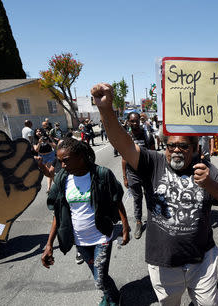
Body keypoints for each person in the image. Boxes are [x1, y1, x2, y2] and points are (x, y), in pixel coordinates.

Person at [91, 82, 218, 306]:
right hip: (164, 262)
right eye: (171, 145)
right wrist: (105, 110)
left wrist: (208, 183)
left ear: (195, 149)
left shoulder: (204, 167)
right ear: (164, 146)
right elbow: (122, 142)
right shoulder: (153, 163)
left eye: (184, 146)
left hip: (201, 260)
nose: (176, 150)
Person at [41, 137, 130, 306]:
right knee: (98, 274)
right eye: (60, 161)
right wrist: (49, 244)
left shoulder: (101, 174)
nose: (63, 165)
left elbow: (117, 200)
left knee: (99, 277)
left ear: (81, 156)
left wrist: (125, 226)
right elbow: (58, 214)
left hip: (101, 236)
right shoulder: (62, 179)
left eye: (66, 161)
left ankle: (114, 299)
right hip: (80, 240)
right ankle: (109, 294)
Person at [122, 112, 155, 239]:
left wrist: (154, 173)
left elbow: (153, 155)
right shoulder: (126, 137)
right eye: (132, 121)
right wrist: (125, 177)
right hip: (132, 174)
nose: (135, 123)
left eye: (137, 121)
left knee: (150, 197)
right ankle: (138, 222)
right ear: (128, 122)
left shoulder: (148, 135)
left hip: (147, 173)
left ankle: (152, 221)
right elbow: (124, 158)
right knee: (137, 199)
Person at [33, 127, 56, 193]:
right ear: (35, 133)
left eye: (40, 131)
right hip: (41, 157)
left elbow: (55, 146)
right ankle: (57, 184)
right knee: (47, 172)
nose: (38, 133)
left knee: (49, 171)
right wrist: (39, 143)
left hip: (50, 155)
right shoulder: (35, 139)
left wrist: (48, 142)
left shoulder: (47, 137)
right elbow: (36, 150)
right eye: (37, 131)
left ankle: (49, 188)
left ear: (42, 132)